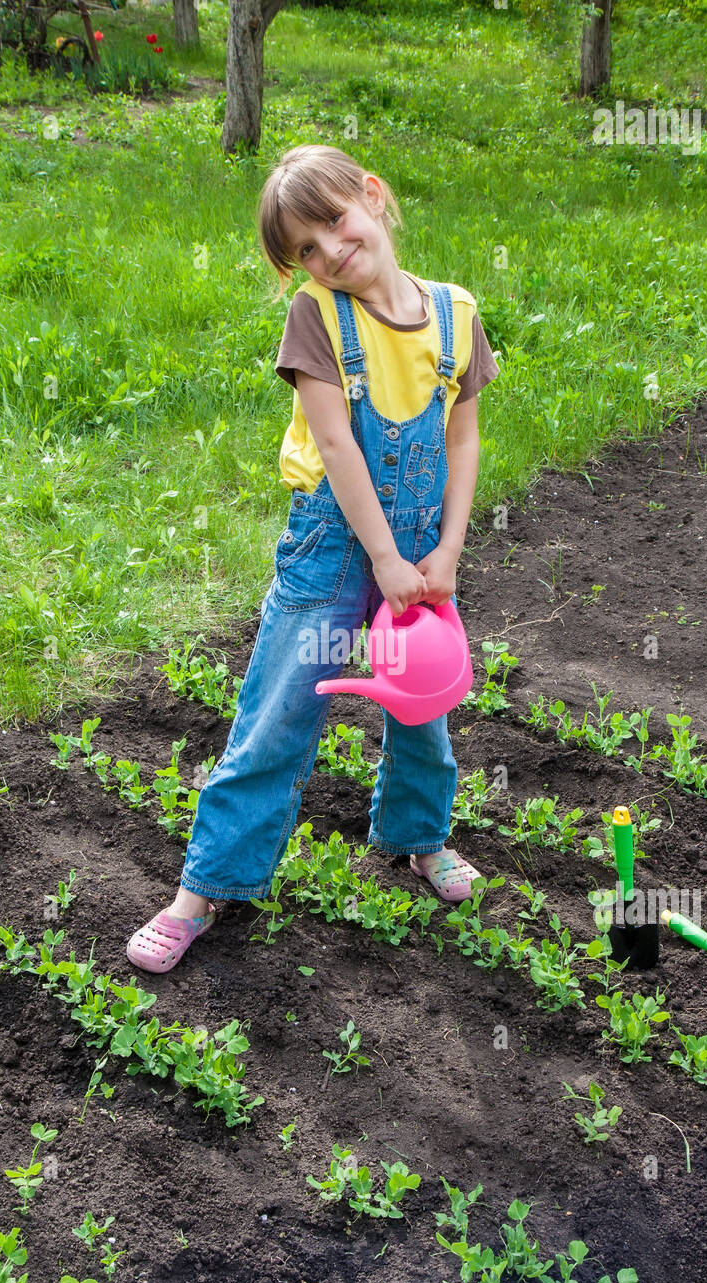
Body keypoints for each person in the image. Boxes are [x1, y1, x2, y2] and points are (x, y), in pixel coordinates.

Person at [126, 144, 500, 973]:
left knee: (423, 702)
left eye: (334, 221)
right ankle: (205, 888)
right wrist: (384, 558)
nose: (329, 250)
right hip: (334, 543)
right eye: (305, 247)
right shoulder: (318, 316)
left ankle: (418, 838)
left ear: (374, 196)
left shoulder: (456, 314)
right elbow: (336, 443)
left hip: (420, 547)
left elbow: (465, 438)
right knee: (279, 713)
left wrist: (444, 550)